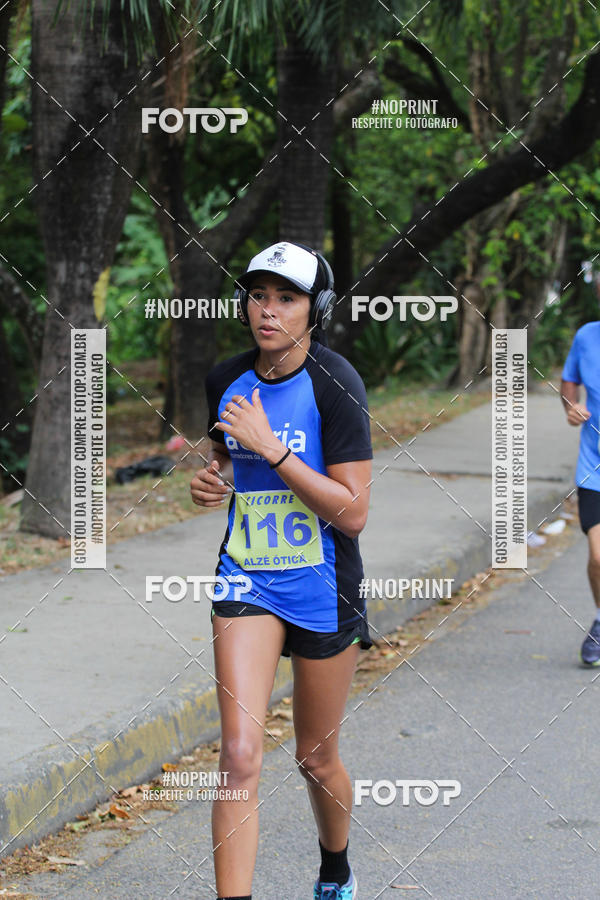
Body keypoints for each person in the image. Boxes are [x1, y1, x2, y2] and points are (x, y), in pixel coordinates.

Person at [190, 241, 373, 900]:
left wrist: (274, 448)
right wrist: (212, 482)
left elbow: (352, 513)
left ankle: (335, 866)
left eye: (286, 298)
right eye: (258, 295)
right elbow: (226, 460)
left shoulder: (336, 384)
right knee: (239, 754)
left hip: (323, 586)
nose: (267, 311)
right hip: (247, 578)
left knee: (314, 757)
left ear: (314, 309)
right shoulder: (225, 379)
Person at [561, 319, 600, 665]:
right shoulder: (587, 336)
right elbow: (569, 380)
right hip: (595, 468)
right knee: (599, 557)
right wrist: (570, 407)